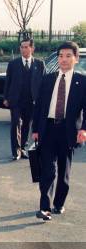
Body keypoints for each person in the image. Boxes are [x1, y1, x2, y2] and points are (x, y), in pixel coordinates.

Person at [32, 41, 86, 221]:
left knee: (63, 172)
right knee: (47, 170)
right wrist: (36, 129)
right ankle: (44, 208)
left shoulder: (82, 81)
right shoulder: (48, 78)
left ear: (76, 59)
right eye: (60, 56)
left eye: (68, 56)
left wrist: (84, 129)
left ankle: (59, 204)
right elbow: (39, 105)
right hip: (47, 128)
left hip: (68, 130)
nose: (63, 60)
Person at [3, 38, 45, 160]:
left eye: (26, 47)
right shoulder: (13, 64)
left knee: (27, 125)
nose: (24, 49)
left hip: (32, 101)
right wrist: (5, 98)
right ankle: (15, 151)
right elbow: (8, 82)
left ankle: (22, 148)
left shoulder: (39, 64)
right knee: (16, 123)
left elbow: (43, 84)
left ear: (32, 48)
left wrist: (42, 100)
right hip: (16, 100)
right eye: (22, 47)